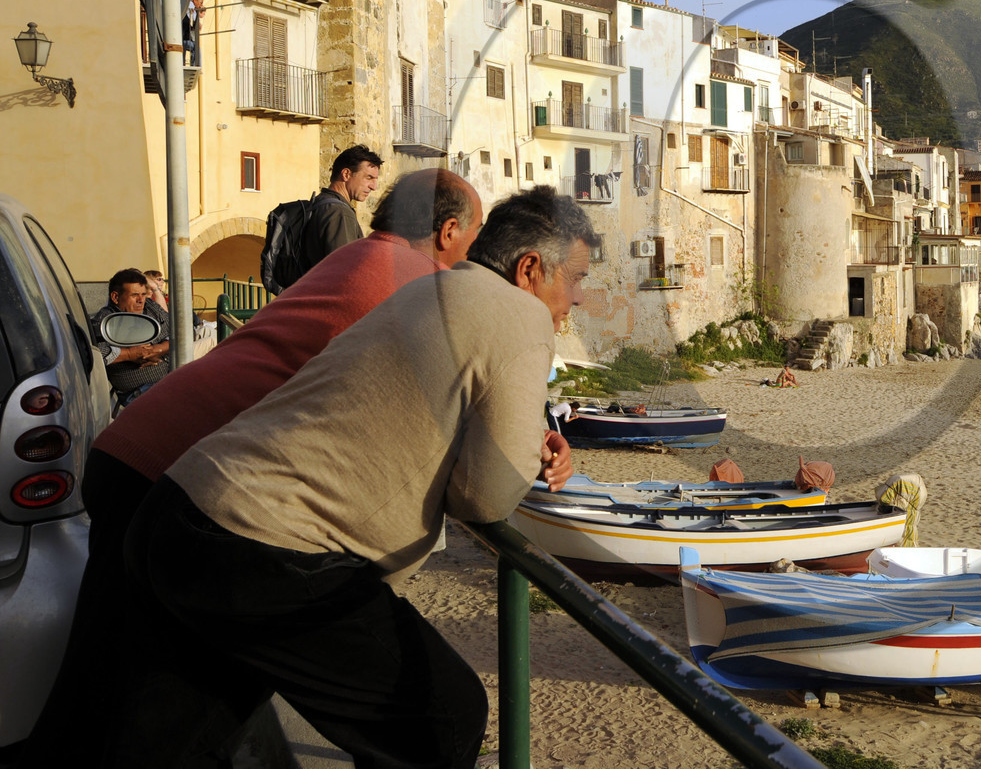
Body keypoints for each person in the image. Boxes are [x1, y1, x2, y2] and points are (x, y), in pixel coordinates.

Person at [23, 169, 511, 765]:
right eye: (475, 237)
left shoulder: (356, 256)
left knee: (108, 682)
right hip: (191, 483)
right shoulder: (414, 286)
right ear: (450, 230)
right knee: (175, 699)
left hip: (137, 451)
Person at [110, 187, 597, 768]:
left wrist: (515, 440)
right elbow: (485, 497)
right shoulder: (521, 313)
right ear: (531, 269)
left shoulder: (430, 287)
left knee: (172, 740)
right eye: (576, 279)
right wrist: (517, 451)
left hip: (180, 509)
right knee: (444, 715)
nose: (579, 299)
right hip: (265, 549)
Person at [88, 268, 172, 402]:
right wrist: (129, 354)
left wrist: (159, 349)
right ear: (115, 297)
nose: (141, 300)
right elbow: (96, 354)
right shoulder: (105, 321)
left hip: (171, 376)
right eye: (134, 295)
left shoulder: (150, 307)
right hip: (138, 392)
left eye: (143, 294)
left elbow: (178, 331)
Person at [304, 144, 385, 271]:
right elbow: (345, 270)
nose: (373, 186)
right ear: (346, 174)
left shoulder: (319, 204)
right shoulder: (339, 213)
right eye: (369, 178)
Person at [182, 0, 204, 66]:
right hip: (184, 36)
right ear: (195, 0)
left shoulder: (187, 5)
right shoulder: (191, 6)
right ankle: (195, 65)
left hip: (183, 36)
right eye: (201, 2)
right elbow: (194, 22)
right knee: (196, 49)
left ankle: (185, 64)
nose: (201, 5)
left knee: (190, 49)